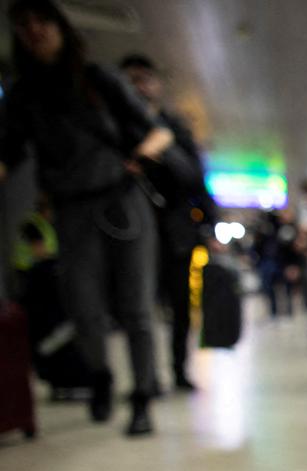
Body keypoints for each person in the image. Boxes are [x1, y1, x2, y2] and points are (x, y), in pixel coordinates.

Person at [0, 0, 173, 435]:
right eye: (24, 25)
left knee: (135, 305)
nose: (34, 30)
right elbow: (10, 150)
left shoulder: (98, 80)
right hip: (71, 207)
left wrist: (144, 157)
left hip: (122, 199)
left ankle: (142, 397)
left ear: (59, 26)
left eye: (41, 20)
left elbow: (158, 130)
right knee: (83, 306)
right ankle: (100, 375)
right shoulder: (24, 95)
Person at [119, 52, 213, 392]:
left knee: (179, 307)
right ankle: (146, 377)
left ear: (156, 84)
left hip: (175, 233)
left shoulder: (174, 128)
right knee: (138, 305)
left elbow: (195, 178)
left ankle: (177, 369)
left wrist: (157, 153)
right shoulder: (116, 130)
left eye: (144, 78)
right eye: (130, 80)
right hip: (130, 229)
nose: (139, 86)